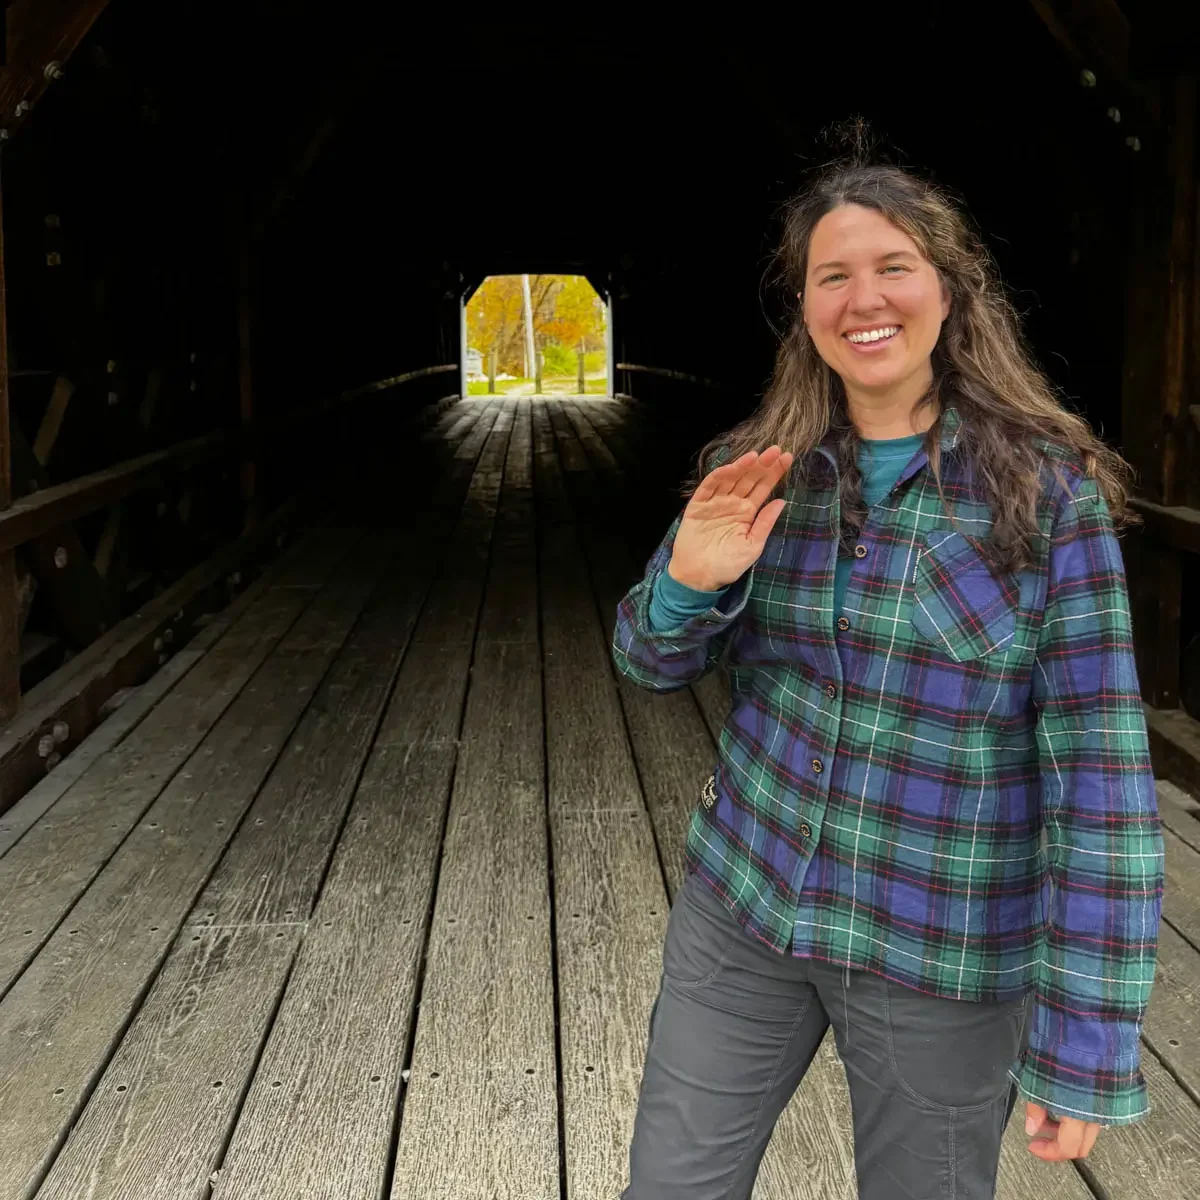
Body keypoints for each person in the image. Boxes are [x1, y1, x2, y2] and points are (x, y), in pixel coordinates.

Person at [611, 160, 1164, 1200]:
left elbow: (1104, 785)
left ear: (950, 289)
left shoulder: (1049, 499)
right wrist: (687, 582)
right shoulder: (761, 466)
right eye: (832, 276)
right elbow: (647, 660)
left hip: (940, 950)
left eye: (893, 267)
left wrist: (1086, 1041)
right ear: (804, 307)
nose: (863, 299)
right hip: (748, 907)